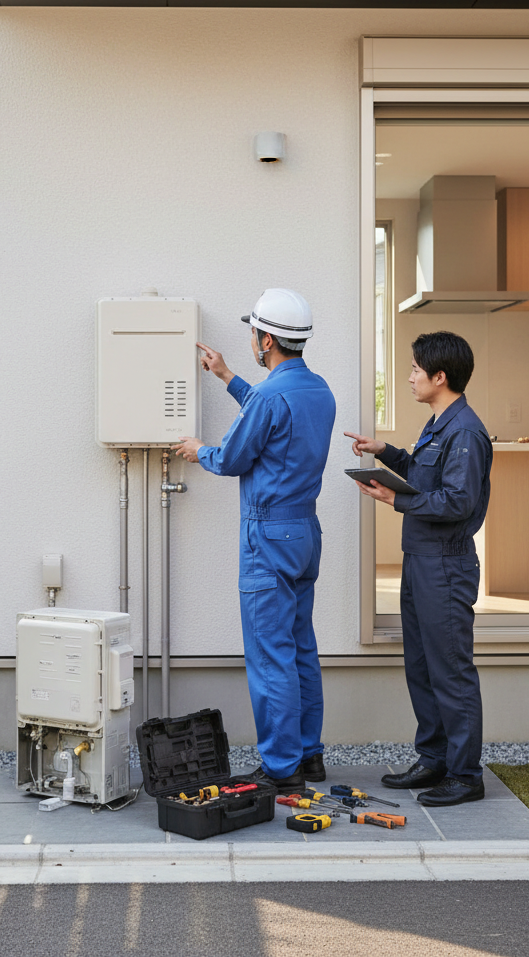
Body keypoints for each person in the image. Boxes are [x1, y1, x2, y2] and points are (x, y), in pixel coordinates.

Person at [174, 288, 336, 794]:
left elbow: (234, 457)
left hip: (267, 536)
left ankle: (281, 767)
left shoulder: (271, 397)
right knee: (300, 648)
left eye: (253, 332)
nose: (250, 338)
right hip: (304, 533)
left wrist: (200, 450)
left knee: (271, 657)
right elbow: (269, 414)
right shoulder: (318, 390)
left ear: (266, 339)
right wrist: (226, 376)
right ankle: (309, 756)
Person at [345, 331, 491, 806]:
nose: (409, 377)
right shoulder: (438, 424)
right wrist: (385, 453)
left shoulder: (465, 431)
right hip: (421, 562)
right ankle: (434, 761)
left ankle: (465, 775)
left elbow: (457, 500)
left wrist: (394, 497)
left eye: (414, 370)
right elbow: (422, 471)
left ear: (440, 376)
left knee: (450, 670)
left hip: (445, 565)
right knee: (422, 667)